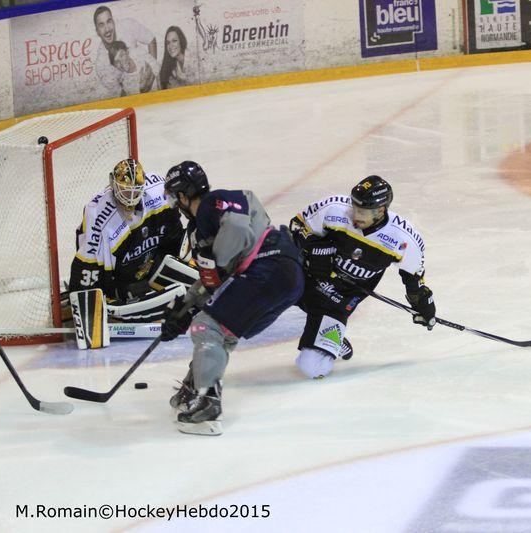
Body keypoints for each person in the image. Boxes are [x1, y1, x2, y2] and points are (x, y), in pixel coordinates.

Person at [160, 161, 304, 435]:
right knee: (222, 330)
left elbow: (236, 232)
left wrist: (218, 261)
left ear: (182, 195)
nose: (175, 205)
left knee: (207, 327)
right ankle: (194, 388)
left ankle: (207, 406)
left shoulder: (211, 204)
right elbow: (212, 282)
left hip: (269, 267)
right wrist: (182, 311)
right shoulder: (209, 219)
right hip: (283, 275)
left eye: (173, 197)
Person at [288, 175, 436, 379]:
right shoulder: (334, 209)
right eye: (354, 206)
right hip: (306, 278)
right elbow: (296, 227)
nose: (354, 214)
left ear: (381, 210)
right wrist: (313, 247)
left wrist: (423, 305)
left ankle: (333, 340)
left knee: (311, 367)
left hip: (337, 299)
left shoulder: (403, 240)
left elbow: (414, 278)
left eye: (362, 211)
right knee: (258, 293)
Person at [68, 158, 189, 321]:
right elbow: (86, 267)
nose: (130, 198)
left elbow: (176, 235)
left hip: (145, 265)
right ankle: (118, 301)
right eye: (125, 191)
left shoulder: (159, 191)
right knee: (135, 291)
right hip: (118, 279)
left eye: (135, 191)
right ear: (113, 184)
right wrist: (85, 301)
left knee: (188, 258)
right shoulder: (98, 216)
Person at [93, 5, 157, 96]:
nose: (107, 29)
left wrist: (151, 74)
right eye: (101, 25)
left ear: (114, 22)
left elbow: (151, 39)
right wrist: (141, 92)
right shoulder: (101, 65)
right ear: (97, 32)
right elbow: (122, 94)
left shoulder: (127, 25)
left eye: (109, 22)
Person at [159, 26, 196, 90]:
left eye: (174, 41)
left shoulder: (194, 59)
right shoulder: (172, 68)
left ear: (181, 41)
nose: (170, 46)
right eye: (168, 43)